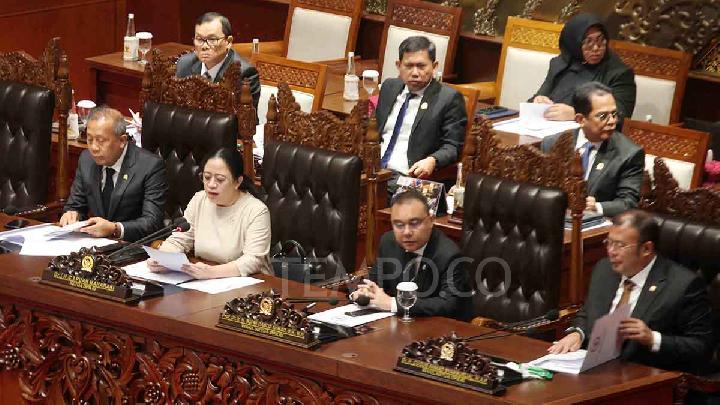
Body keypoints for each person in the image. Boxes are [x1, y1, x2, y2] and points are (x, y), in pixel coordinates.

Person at [549, 210, 715, 374]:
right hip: (592, 367)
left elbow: (701, 347)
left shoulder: (683, 285)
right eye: (609, 242)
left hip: (644, 374)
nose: (611, 251)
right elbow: (588, 312)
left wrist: (652, 338)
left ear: (646, 249)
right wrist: (578, 333)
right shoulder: (604, 269)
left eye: (620, 245)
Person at [148, 147, 271, 279]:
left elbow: (253, 260)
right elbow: (180, 240)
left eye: (220, 179)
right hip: (204, 280)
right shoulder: (199, 200)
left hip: (250, 284)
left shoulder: (256, 211)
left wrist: (212, 272)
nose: (211, 184)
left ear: (238, 182)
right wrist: (163, 259)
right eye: (207, 177)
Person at [355, 189, 471, 320]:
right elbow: (375, 281)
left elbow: (449, 304)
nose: (407, 232)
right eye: (399, 225)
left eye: (414, 223)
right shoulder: (388, 242)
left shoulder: (448, 254)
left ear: (431, 220)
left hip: (441, 327)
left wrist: (393, 304)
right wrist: (365, 292)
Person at [60, 107, 167, 242]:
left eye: (101, 140)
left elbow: (152, 222)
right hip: (94, 244)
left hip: (132, 245)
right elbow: (76, 205)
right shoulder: (87, 160)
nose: (93, 147)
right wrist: (72, 214)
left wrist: (115, 229)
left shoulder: (150, 166)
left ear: (122, 141)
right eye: (90, 139)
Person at [375, 36, 467, 192]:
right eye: (409, 66)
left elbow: (452, 147)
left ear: (434, 66)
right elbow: (375, 129)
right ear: (398, 65)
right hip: (374, 169)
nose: (415, 73)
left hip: (407, 176)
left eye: (421, 66)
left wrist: (432, 160)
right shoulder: (389, 87)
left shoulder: (448, 99)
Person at [541, 82, 643, 217]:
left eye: (614, 114)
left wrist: (597, 207)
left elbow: (629, 203)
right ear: (581, 119)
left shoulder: (629, 154)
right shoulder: (552, 143)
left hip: (596, 223)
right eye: (603, 116)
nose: (612, 121)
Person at [531, 13, 636, 122]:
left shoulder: (620, 73)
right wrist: (538, 101)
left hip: (589, 131)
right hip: (548, 127)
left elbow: (621, 116)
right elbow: (537, 98)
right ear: (574, 43)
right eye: (588, 42)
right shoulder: (560, 64)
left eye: (600, 41)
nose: (596, 48)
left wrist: (577, 115)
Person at [176, 12, 260, 114]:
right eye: (199, 39)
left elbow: (246, 119)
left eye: (212, 39)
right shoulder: (184, 64)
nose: (204, 46)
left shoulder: (244, 74)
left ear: (228, 42)